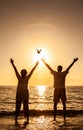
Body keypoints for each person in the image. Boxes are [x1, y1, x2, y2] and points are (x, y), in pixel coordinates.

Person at [10, 58, 39, 123]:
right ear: (21, 73)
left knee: (26, 106)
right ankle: (16, 118)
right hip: (19, 94)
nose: (23, 73)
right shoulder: (19, 77)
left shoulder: (27, 77)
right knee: (18, 106)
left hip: (25, 93)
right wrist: (12, 63)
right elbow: (15, 70)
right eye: (22, 72)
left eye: (24, 72)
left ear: (26, 73)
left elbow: (32, 71)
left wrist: (36, 65)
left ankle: (27, 118)